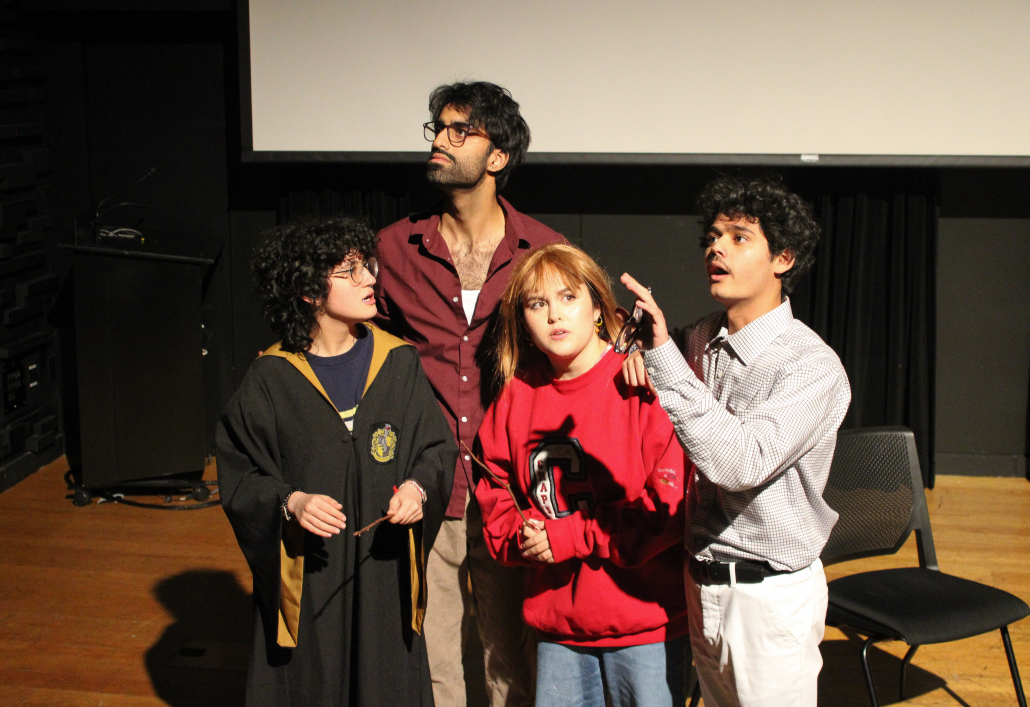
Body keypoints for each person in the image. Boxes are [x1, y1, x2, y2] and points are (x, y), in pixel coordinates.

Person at [621, 175, 851, 707]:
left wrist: (661, 359)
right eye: (713, 236)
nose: (716, 248)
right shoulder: (702, 338)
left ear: (784, 258)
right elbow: (643, 358)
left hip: (768, 599)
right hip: (700, 583)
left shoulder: (811, 366)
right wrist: (633, 343)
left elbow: (739, 462)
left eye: (739, 237)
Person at [374, 81, 564, 707]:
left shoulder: (544, 251)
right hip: (426, 478)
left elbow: (585, 347)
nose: (440, 141)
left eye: (460, 131)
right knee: (431, 650)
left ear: (498, 156)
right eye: (437, 128)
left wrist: (636, 356)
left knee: (510, 653)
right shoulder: (396, 248)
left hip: (507, 485)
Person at [216, 217, 456, 707]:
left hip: (382, 573)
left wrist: (417, 487)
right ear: (308, 290)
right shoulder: (271, 379)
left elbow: (435, 449)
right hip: (312, 584)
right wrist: (291, 501)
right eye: (349, 271)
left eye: (367, 266)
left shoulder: (399, 362)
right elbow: (240, 475)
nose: (370, 278)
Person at [475, 243, 691, 707]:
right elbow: (491, 486)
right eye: (538, 304)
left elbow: (668, 508)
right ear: (524, 322)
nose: (555, 315)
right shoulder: (517, 396)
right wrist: (522, 535)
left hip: (645, 628)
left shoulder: (641, 384)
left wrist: (570, 536)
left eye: (568, 297)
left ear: (597, 306)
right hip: (560, 632)